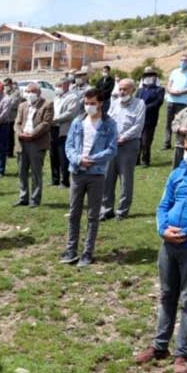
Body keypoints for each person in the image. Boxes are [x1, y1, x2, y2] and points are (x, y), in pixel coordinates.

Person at [135, 128, 187, 373]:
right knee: (166, 295)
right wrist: (162, 229)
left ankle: (182, 353)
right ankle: (159, 346)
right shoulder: (178, 172)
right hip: (168, 246)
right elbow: (163, 205)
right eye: (186, 149)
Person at [61, 89, 117, 267]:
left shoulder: (109, 124)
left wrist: (92, 160)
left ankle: (87, 252)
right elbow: (69, 145)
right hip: (77, 173)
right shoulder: (78, 122)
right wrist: (78, 159)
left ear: (100, 103)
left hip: (96, 174)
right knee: (74, 213)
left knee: (93, 215)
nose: (89, 106)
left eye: (92, 103)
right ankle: (71, 250)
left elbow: (112, 149)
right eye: (86, 103)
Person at [101, 79, 145, 221]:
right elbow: (107, 121)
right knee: (107, 178)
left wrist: (123, 137)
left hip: (128, 145)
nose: (122, 92)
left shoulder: (139, 104)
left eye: (125, 89)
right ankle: (106, 210)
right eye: (120, 89)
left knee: (125, 179)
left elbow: (138, 125)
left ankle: (122, 210)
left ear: (132, 90)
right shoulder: (114, 103)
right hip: (111, 145)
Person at [14, 83, 53, 208]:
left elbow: (46, 123)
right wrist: (20, 133)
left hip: (37, 143)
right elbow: (17, 123)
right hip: (22, 142)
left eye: (32, 92)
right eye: (27, 91)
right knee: (22, 172)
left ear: (38, 93)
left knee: (36, 172)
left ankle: (35, 199)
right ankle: (23, 197)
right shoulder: (22, 105)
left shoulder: (47, 105)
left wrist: (32, 134)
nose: (29, 94)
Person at [50, 77, 82, 188]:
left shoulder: (73, 97)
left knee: (63, 156)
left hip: (64, 130)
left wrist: (56, 119)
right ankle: (55, 179)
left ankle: (65, 180)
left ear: (67, 85)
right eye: (57, 86)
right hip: (53, 129)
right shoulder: (56, 98)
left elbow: (70, 114)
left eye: (60, 85)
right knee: (53, 155)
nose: (58, 88)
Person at [164, 54, 187, 151]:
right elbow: (169, 84)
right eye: (181, 60)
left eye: (185, 60)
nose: (182, 62)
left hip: (184, 101)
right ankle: (166, 142)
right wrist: (171, 91)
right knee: (169, 122)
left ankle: (181, 142)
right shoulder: (175, 71)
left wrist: (181, 92)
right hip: (171, 100)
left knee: (183, 123)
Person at [136, 66, 166, 167]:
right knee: (137, 140)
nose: (149, 78)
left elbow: (158, 102)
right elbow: (135, 101)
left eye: (151, 76)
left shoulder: (159, 90)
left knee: (146, 141)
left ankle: (145, 160)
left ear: (154, 78)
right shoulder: (140, 90)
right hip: (138, 119)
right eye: (146, 76)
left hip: (150, 119)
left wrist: (143, 107)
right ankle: (136, 160)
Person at [4, 78, 22, 157]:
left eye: (7, 85)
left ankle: (9, 153)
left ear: (11, 84)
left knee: (10, 135)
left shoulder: (16, 92)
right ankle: (4, 151)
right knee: (4, 135)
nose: (6, 87)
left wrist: (5, 104)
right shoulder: (4, 93)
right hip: (4, 117)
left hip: (12, 117)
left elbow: (14, 103)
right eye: (5, 85)